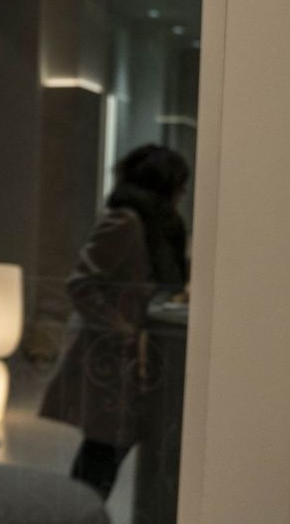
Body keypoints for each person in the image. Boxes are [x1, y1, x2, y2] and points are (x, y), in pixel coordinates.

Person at [39, 144, 190, 499]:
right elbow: (82, 284)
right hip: (112, 360)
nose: (183, 193)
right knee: (102, 452)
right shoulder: (126, 221)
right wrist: (120, 327)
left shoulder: (157, 225)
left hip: (133, 359)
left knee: (105, 451)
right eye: (180, 184)